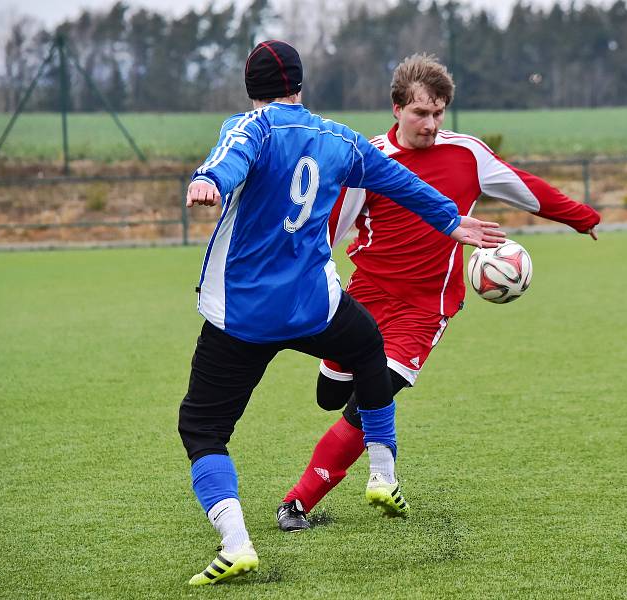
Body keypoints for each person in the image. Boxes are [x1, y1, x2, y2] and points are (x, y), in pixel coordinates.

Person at [179, 41, 505, 586]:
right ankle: (382, 471)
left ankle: (235, 542)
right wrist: (450, 220)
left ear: (250, 89)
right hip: (313, 306)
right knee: (369, 347)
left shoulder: (253, 126)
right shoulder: (339, 139)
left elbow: (229, 158)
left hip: (242, 315)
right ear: (300, 87)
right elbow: (398, 180)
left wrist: (208, 180)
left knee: (203, 428)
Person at [276, 53, 601, 532]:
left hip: (428, 307)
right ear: (396, 109)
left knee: (374, 396)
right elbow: (327, 230)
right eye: (420, 113)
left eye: (438, 113)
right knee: (329, 395)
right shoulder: (368, 161)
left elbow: (524, 187)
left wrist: (580, 216)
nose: (430, 124)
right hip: (364, 297)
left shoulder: (467, 154)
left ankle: (298, 503)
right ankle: (349, 468)